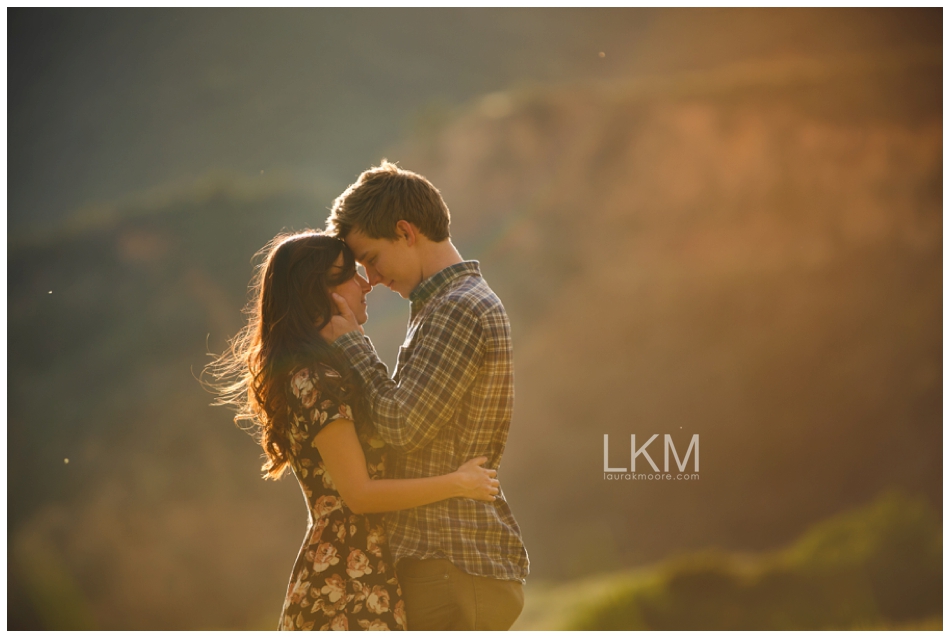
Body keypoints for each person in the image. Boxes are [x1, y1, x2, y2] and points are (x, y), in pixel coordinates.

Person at [207, 231, 501, 631]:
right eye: (346, 274)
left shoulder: (333, 370)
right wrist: (457, 483)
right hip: (343, 586)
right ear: (318, 293)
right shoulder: (313, 379)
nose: (365, 283)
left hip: (367, 576)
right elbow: (360, 494)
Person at [319, 161, 530, 631]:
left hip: (450, 561)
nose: (370, 278)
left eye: (371, 258)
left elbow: (401, 426)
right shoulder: (441, 305)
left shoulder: (457, 307)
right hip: (448, 562)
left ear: (405, 232)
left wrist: (353, 344)